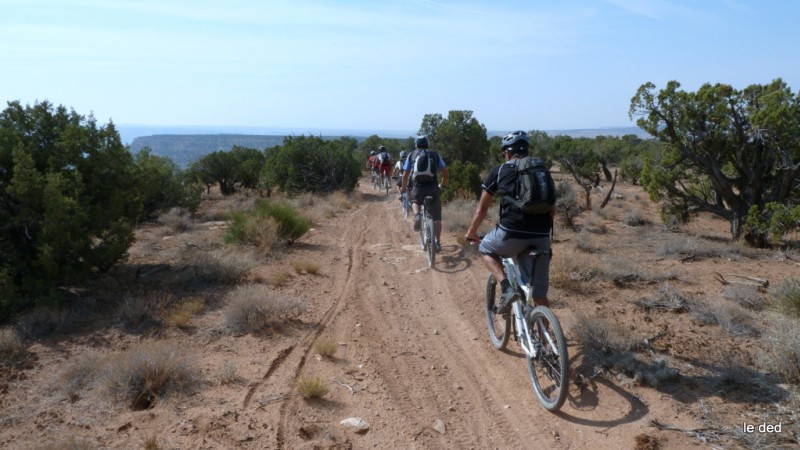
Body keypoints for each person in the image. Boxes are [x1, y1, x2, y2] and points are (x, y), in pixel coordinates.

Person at [464, 130, 555, 315]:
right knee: (539, 294)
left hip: (511, 232)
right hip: (542, 235)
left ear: (507, 152)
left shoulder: (499, 171)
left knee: (486, 248)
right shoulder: (541, 171)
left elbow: (482, 209)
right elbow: (552, 208)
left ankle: (506, 288)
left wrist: (471, 233)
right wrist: (539, 231)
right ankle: (543, 338)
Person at [400, 136, 449, 252]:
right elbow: (446, 174)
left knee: (415, 201)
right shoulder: (435, 155)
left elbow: (405, 175)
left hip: (418, 187)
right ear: (427, 144)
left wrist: (403, 189)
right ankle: (437, 242)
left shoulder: (411, 155)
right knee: (436, 218)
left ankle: (417, 215)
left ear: (416, 145)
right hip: (433, 187)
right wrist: (442, 185)